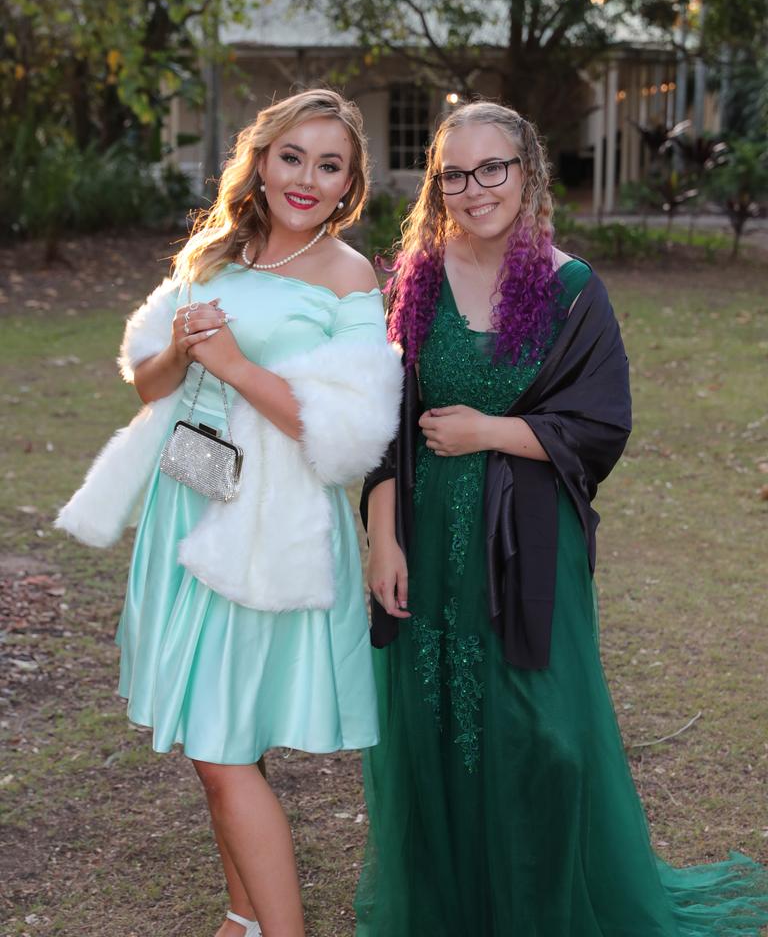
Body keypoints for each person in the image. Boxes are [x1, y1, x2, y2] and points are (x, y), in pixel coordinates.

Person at [355, 101, 768, 936]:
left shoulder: (572, 291)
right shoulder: (412, 282)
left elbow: (601, 422)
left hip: (528, 545)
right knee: (432, 722)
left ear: (528, 171)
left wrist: (489, 432)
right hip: (426, 536)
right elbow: (380, 421)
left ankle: (544, 905)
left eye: (493, 168)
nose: (476, 190)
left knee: (543, 735)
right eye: (455, 174)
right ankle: (455, 904)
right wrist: (382, 534)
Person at [55, 88, 402, 937]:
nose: (307, 179)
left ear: (349, 183)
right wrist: (181, 345)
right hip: (187, 503)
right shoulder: (212, 253)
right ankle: (243, 919)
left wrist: (239, 365)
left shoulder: (347, 275)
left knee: (218, 749)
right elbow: (146, 382)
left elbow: (350, 439)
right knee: (220, 740)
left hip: (266, 526)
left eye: (330, 166)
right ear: (262, 158)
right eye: (294, 157)